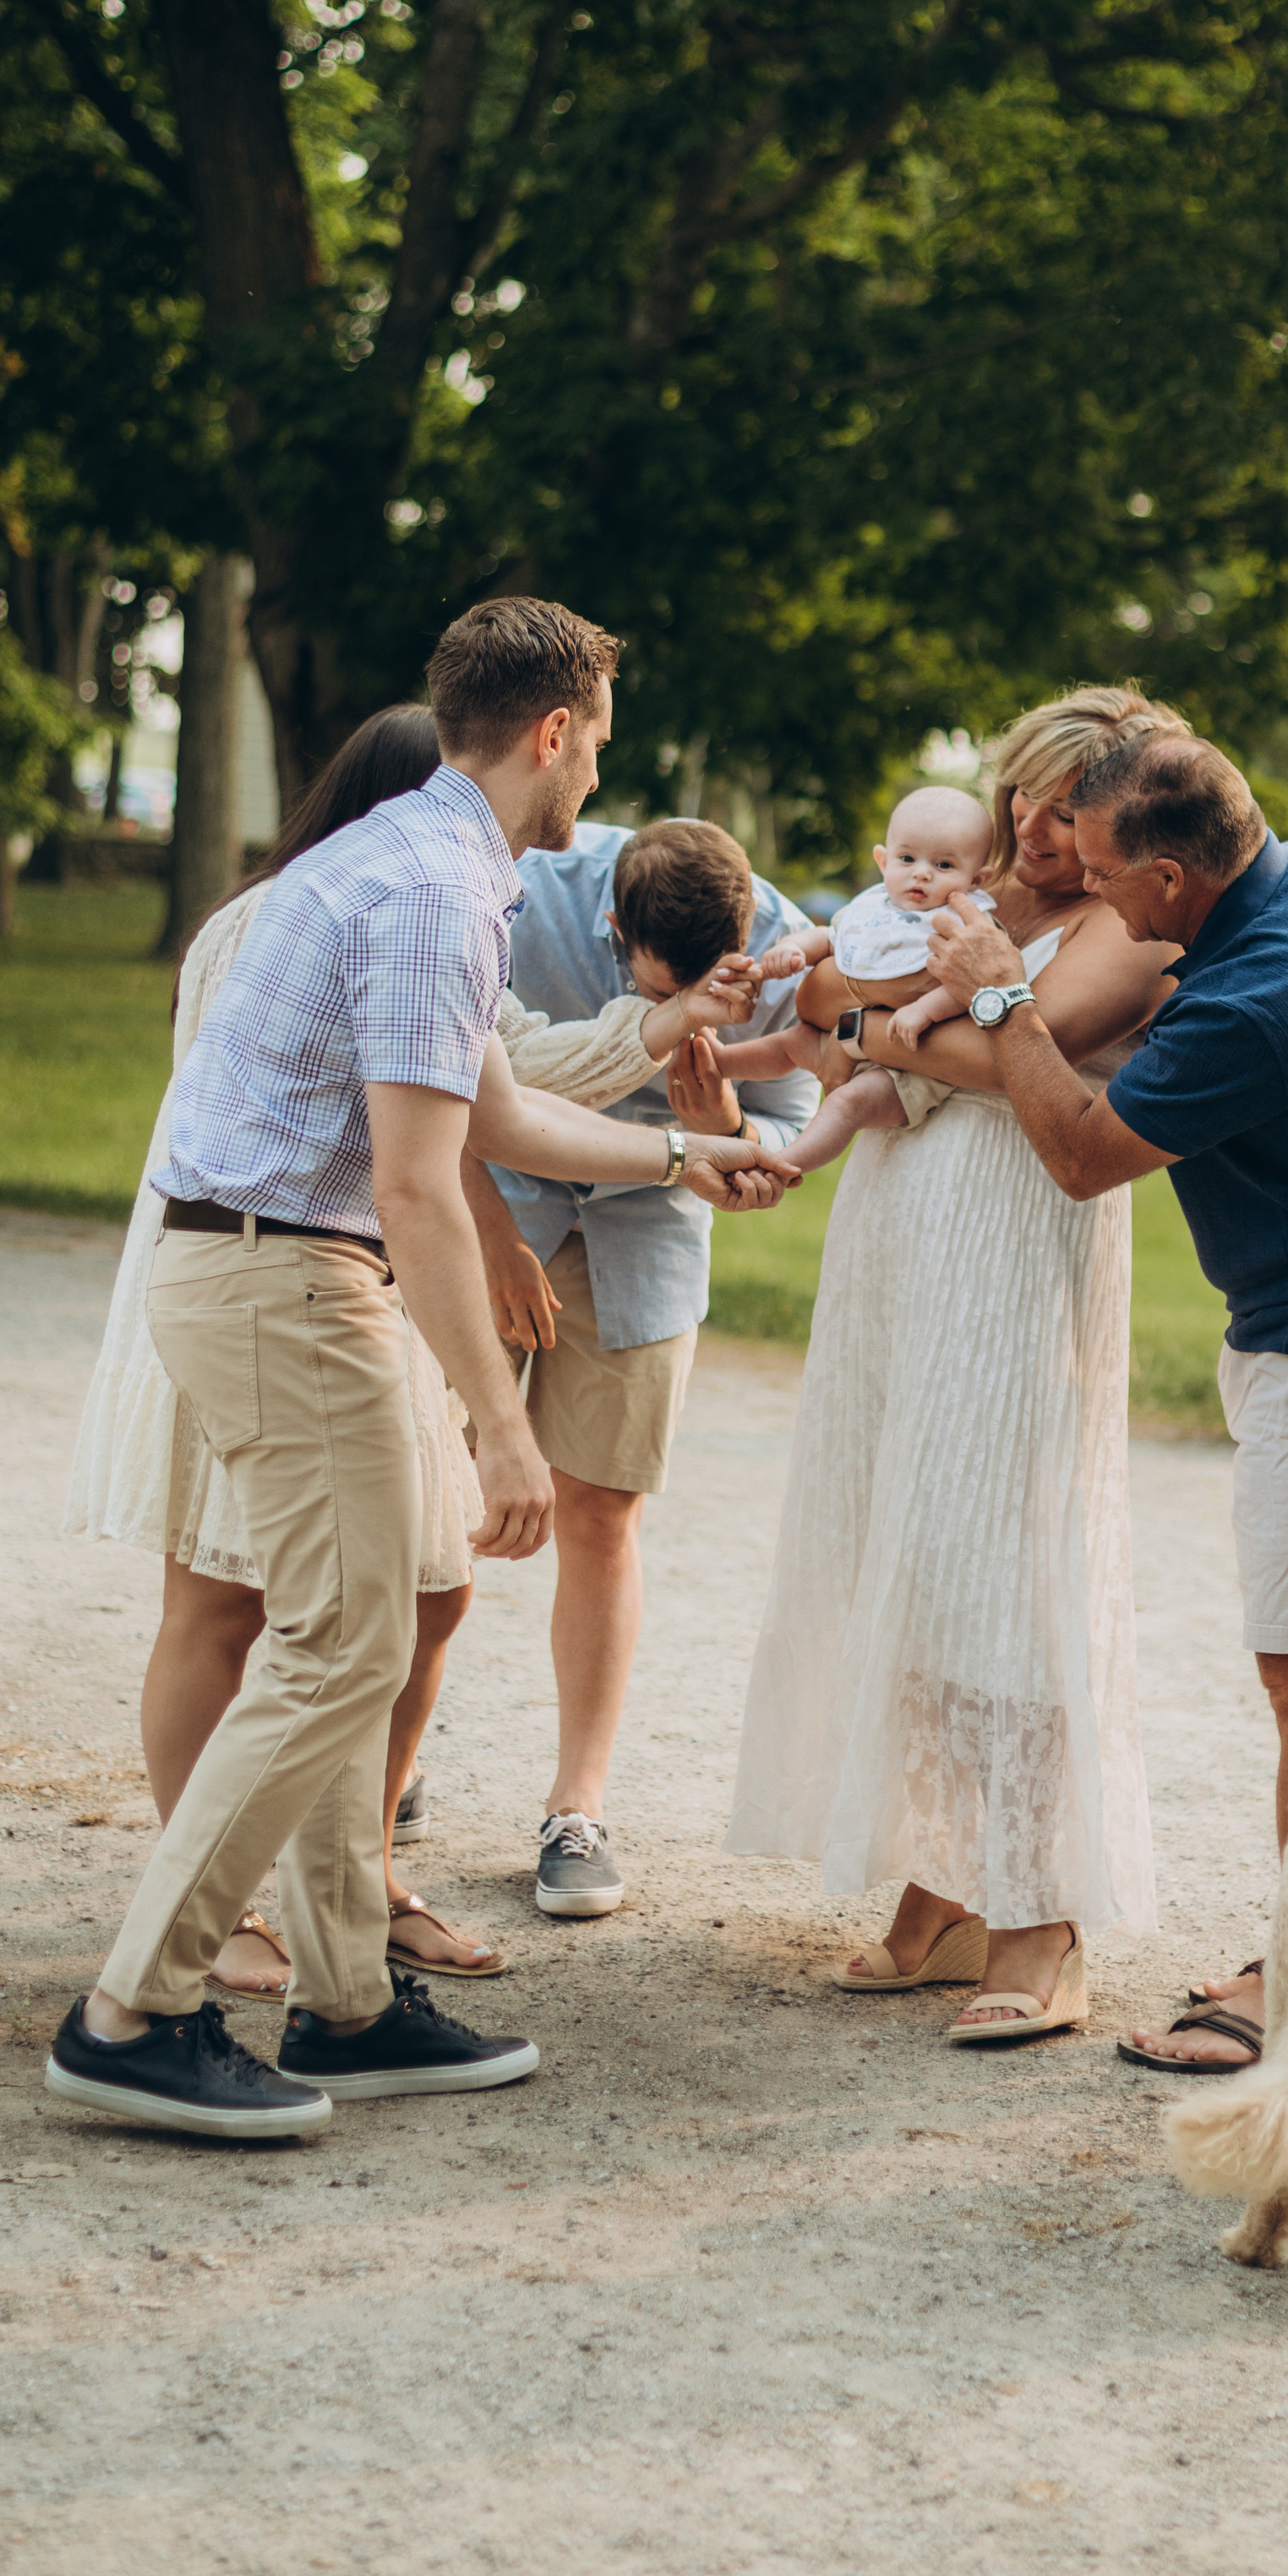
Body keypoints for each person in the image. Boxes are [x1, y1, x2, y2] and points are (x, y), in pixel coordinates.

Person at [46, 599, 795, 2140]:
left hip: (267, 1264)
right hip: (282, 1274)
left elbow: (503, 1113)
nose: (600, 764)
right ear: (553, 732)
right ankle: (136, 2009)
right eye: (598, 734)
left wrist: (683, 1150)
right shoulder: (441, 887)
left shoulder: (418, 864)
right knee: (337, 1643)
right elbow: (416, 1182)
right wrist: (506, 1442)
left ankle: (349, 2003)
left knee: (353, 1633)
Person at [914, 730, 1288, 2077]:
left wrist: (1004, 998)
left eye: (1109, 877)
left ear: (1174, 877)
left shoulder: (1261, 994)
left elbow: (1079, 1153)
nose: (1096, 903)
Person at [726, 688, 1187, 2039]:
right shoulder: (971, 892)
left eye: (1066, 807)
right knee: (905, 1537)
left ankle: (1044, 1921)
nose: (1038, 828)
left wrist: (878, 1025)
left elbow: (1005, 1055)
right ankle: (936, 1881)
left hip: (1016, 1235)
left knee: (1007, 1559)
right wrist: (878, 1020)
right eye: (1023, 800)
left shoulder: (1122, 925)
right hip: (897, 1224)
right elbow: (821, 990)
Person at [462, 814, 817, 1917]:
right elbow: (434, 1092)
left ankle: (577, 1808)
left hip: (647, 1230)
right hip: (491, 1214)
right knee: (423, 1488)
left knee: (602, 1513)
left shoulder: (783, 956)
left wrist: (714, 1117)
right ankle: (390, 1761)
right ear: (613, 930)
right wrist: (490, 1240)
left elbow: (758, 1161)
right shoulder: (520, 894)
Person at [715, 785, 997, 1171]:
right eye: (907, 858)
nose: (921, 873)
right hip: (840, 1039)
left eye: (944, 866)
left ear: (979, 878)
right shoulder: (873, 907)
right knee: (791, 1043)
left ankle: (777, 1166)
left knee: (847, 1105)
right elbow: (831, 939)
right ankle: (717, 1064)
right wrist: (795, 948)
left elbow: (968, 985)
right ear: (883, 860)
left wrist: (925, 1012)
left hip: (907, 1064)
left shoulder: (969, 925)